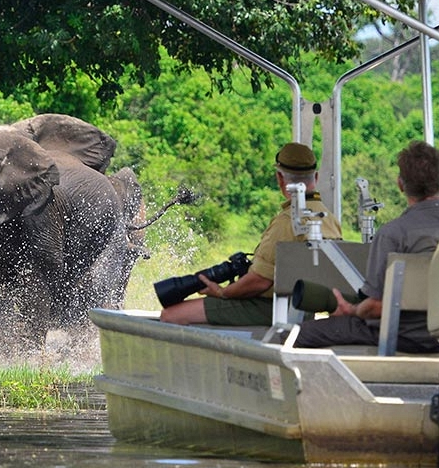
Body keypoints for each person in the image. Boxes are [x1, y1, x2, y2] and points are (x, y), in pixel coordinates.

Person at [160, 142, 342, 327]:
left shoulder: (288, 220)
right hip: (303, 310)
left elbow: (259, 281)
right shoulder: (329, 219)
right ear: (316, 177)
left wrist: (224, 292)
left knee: (171, 315)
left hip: (270, 308)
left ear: (280, 178)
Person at [293, 140, 439, 353]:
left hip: (403, 336)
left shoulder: (393, 234)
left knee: (296, 334)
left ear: (400, 184)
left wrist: (351, 309)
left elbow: (376, 308)